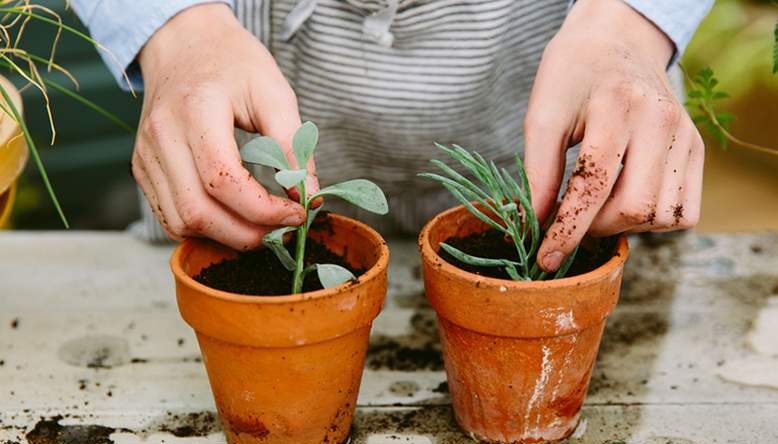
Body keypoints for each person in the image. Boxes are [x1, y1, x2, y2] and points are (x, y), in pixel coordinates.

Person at [72, 0, 712, 272]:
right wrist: (177, 30)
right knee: (237, 224)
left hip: (565, 52)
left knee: (585, 244)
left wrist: (629, 27)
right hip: (235, 57)